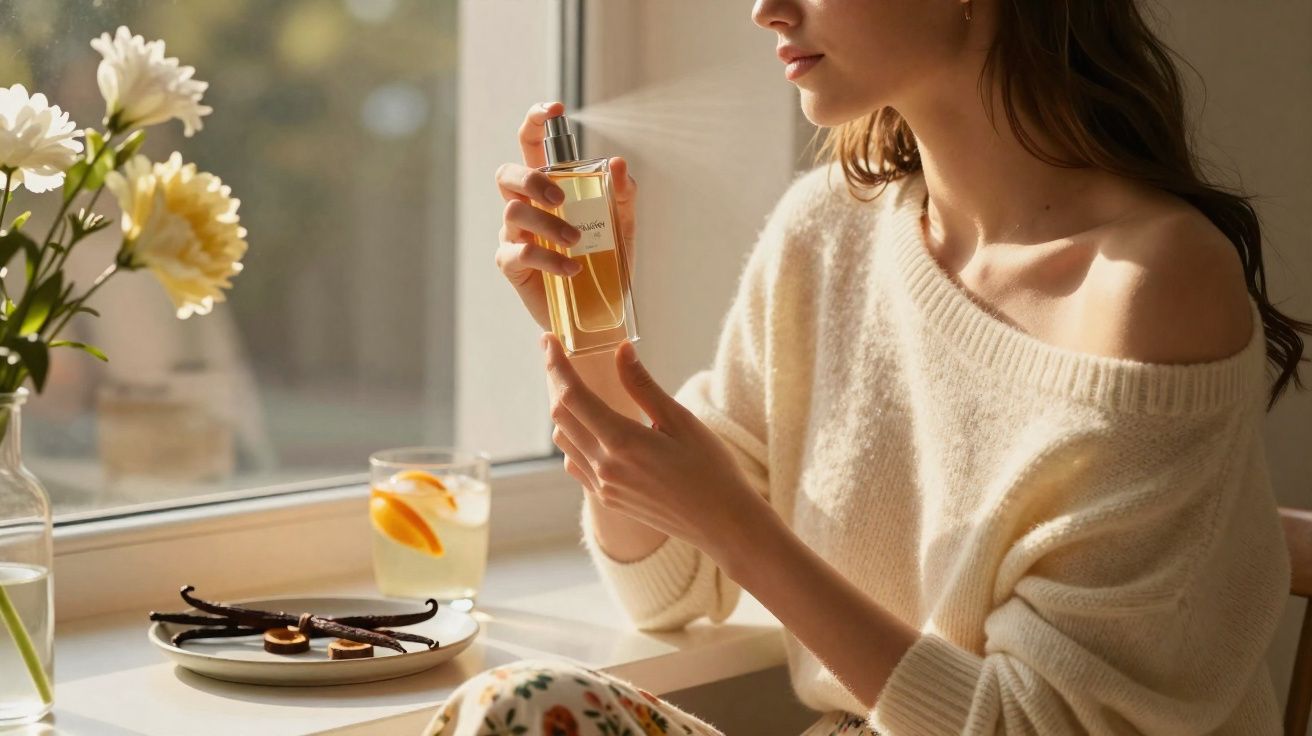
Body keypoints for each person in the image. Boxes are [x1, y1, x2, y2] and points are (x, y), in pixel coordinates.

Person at [429, 0, 1311, 733]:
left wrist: (741, 527)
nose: (766, 9)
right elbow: (663, 585)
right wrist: (589, 331)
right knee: (518, 710)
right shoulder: (826, 233)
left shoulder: (1150, 282)